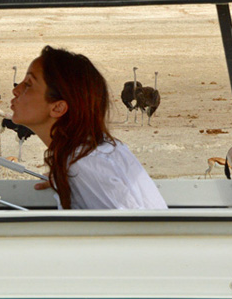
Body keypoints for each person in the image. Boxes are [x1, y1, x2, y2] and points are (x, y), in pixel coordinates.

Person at [10, 45, 167, 210]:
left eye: (28, 84)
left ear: (57, 108)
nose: (15, 90)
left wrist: (78, 177)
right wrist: (62, 180)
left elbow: (135, 230)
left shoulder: (84, 165)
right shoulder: (92, 155)